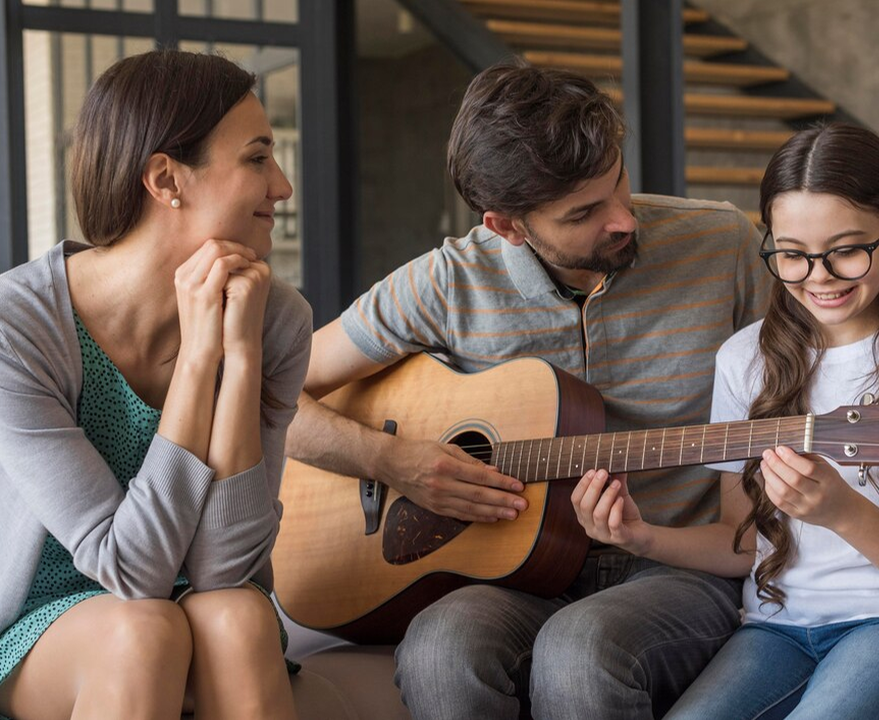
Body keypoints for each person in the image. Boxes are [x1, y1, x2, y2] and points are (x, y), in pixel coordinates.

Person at [286, 63, 770, 719]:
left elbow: (800, 387)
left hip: (676, 565)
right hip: (507, 574)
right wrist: (392, 461)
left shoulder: (724, 244)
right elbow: (277, 394)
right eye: (585, 213)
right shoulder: (445, 283)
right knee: (438, 651)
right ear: (507, 226)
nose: (625, 218)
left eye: (619, 180)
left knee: (581, 651)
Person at [577, 123, 879, 720]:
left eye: (847, 249)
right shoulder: (743, 360)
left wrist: (844, 513)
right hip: (777, 627)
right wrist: (641, 537)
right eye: (792, 254)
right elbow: (744, 545)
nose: (819, 276)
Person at [0, 49, 312, 719]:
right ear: (167, 180)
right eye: (258, 158)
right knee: (142, 628)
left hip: (194, 603)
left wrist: (240, 352)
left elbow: (226, 569)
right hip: (41, 623)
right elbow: (131, 572)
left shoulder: (275, 317)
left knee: (240, 617)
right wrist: (201, 360)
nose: (282, 186)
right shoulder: (15, 326)